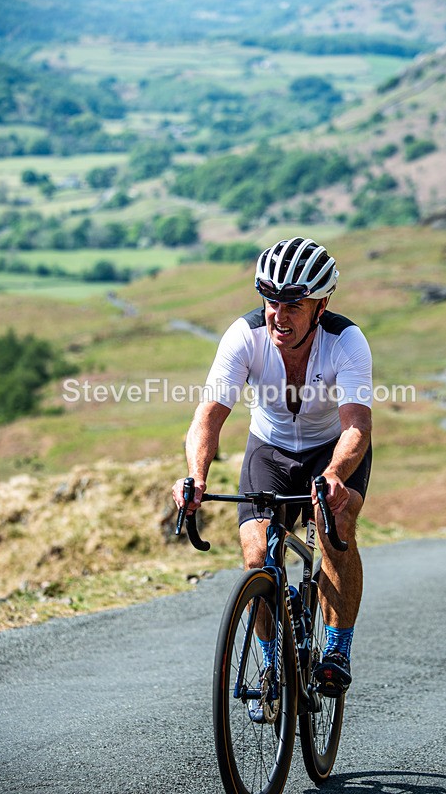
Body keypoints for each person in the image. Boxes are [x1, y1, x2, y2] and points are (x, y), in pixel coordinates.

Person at [172, 237, 372, 707]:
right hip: (270, 449)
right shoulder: (244, 337)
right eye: (271, 301)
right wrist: (196, 477)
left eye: (293, 305)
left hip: (332, 450)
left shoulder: (346, 341)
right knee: (257, 553)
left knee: (335, 523)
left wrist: (335, 474)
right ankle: (270, 667)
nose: (279, 315)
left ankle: (337, 649)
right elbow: (208, 417)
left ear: (320, 306)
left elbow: (357, 426)